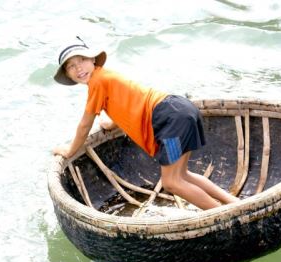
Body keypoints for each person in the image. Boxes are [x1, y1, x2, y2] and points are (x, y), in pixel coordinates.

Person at [52, 36, 239, 210]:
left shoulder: (97, 81)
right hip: (179, 109)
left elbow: (85, 125)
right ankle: (233, 204)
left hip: (171, 121)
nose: (78, 68)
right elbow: (129, 105)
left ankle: (223, 213)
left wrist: (70, 150)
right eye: (71, 66)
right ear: (68, 75)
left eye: (82, 60)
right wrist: (112, 123)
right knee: (182, 176)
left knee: (171, 183)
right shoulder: (104, 76)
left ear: (93, 59)